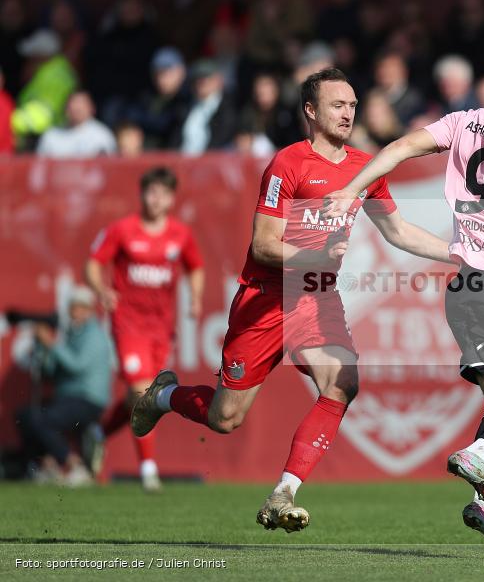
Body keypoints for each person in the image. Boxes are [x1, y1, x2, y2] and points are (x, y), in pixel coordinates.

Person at [130, 68, 451, 532]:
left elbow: (398, 231)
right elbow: (263, 244)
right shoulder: (288, 163)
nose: (348, 112)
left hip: (315, 298)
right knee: (225, 418)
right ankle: (163, 396)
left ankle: (283, 494)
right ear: (310, 110)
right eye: (338, 104)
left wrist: (458, 253)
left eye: (354, 104)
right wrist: (317, 251)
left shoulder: (365, 168)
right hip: (264, 299)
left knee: (342, 383)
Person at [323, 53, 484, 558]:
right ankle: (477, 455)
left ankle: (483, 506)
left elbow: (400, 147)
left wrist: (351, 188)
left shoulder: (465, 123)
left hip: (462, 288)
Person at [85, 167, 205, 492]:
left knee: (139, 398)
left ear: (171, 199)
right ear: (142, 195)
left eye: (163, 194)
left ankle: (98, 432)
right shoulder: (122, 230)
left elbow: (195, 267)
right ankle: (148, 471)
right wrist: (101, 290)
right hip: (128, 325)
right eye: (151, 192)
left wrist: (195, 298)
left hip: (161, 329)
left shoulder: (180, 234)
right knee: (143, 390)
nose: (156, 199)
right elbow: (94, 263)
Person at [16, 286, 112, 487]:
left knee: (43, 419)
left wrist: (52, 344)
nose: (74, 312)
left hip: (87, 399)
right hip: (67, 398)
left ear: (89, 310)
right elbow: (50, 373)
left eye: (79, 308)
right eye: (72, 308)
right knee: (25, 416)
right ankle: (44, 467)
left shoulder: (95, 335)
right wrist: (42, 348)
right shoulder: (70, 334)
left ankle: (74, 465)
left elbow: (77, 366)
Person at [179, 59, 238, 155]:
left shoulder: (227, 109)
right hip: (182, 162)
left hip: (211, 164)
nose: (202, 82)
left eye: (206, 78)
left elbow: (221, 141)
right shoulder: (185, 106)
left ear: (218, 80)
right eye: (198, 78)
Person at [36, 91, 116, 158]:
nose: (76, 108)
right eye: (73, 104)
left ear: (92, 108)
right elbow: (40, 166)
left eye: (81, 105)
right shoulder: (51, 135)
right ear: (66, 109)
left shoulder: (102, 134)